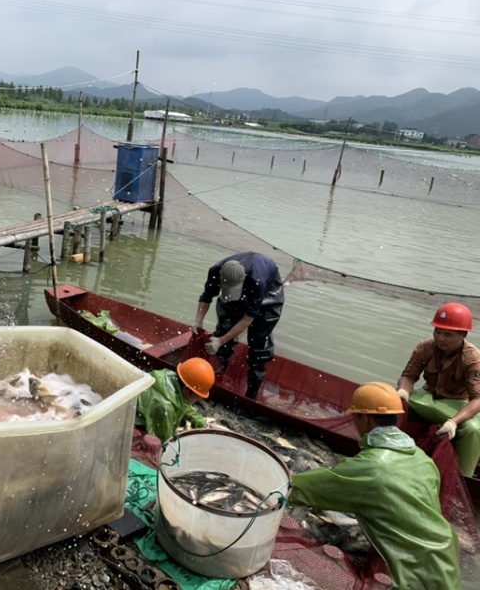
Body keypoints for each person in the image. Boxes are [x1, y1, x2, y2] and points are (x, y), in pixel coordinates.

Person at [290, 381, 461, 588]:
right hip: (446, 558)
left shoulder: (371, 467)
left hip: (412, 575)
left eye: (355, 417)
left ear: (365, 419)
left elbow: (300, 488)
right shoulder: (423, 459)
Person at [397, 302, 480, 477]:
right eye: (437, 332)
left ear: (463, 335)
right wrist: (403, 391)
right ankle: (391, 447)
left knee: (473, 430)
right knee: (389, 402)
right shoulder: (425, 347)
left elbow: (477, 399)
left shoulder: (473, 359)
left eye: (448, 334)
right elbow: (409, 376)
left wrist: (454, 422)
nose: (440, 338)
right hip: (428, 397)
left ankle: (462, 478)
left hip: (457, 404)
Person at [192, 251, 284, 399]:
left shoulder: (257, 281)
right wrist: (198, 320)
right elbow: (206, 297)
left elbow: (249, 318)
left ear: (245, 278)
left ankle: (251, 396)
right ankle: (214, 382)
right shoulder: (215, 270)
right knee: (224, 330)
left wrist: (221, 340)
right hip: (242, 281)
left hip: (269, 292)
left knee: (259, 342)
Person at [135, 357, 215, 443]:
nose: (200, 398)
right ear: (187, 390)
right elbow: (164, 439)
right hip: (133, 425)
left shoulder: (168, 375)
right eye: (198, 396)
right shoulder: (166, 408)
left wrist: (202, 423)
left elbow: (182, 403)